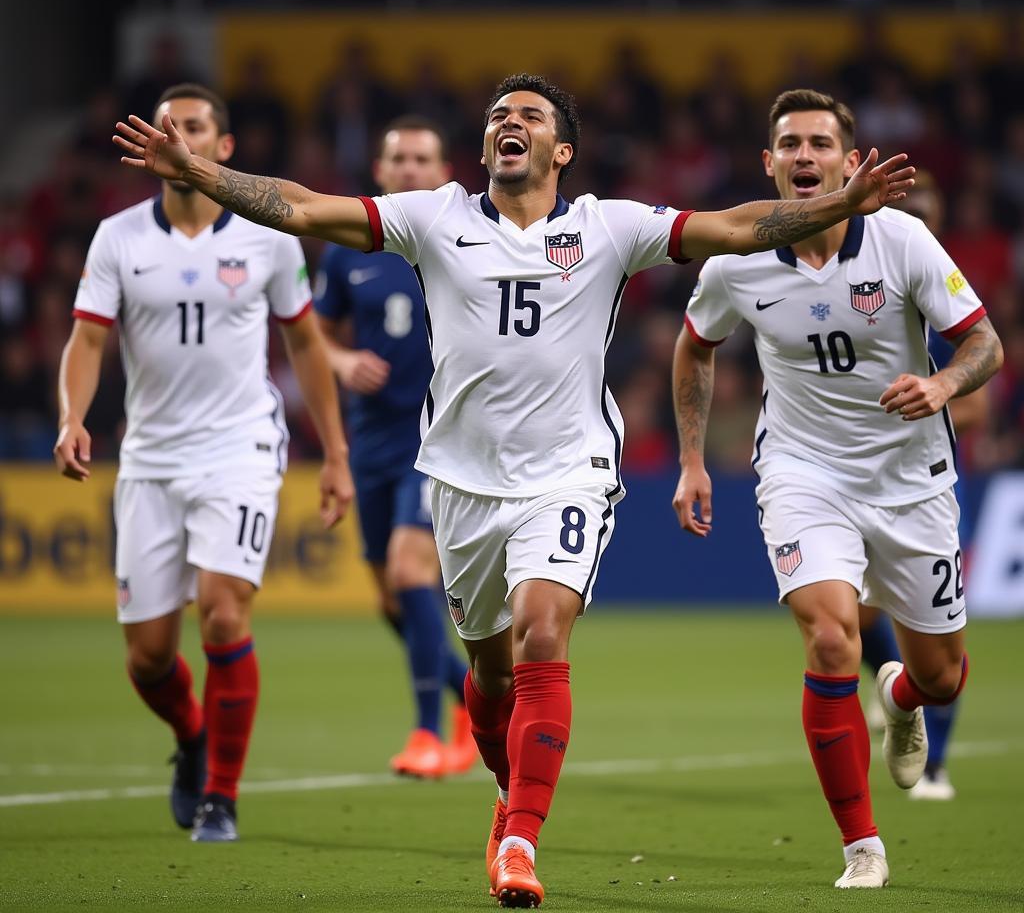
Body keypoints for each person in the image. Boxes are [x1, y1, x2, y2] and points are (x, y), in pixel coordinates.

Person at [114, 72, 913, 907]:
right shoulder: (436, 216)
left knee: (542, 633)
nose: (509, 123)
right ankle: (506, 792)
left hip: (569, 473)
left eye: (529, 116)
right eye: (499, 114)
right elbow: (304, 207)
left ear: (561, 150)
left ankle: (521, 841)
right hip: (460, 482)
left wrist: (836, 206)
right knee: (490, 678)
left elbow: (741, 227)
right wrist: (201, 175)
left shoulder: (609, 228)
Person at [673, 89, 1002, 889]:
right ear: (769, 164)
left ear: (852, 163)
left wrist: (944, 383)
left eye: (822, 143)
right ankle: (863, 846)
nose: (805, 157)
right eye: (790, 144)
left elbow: (984, 343)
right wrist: (691, 461)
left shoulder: (903, 241)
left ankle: (901, 694)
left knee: (943, 677)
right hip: (801, 472)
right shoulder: (737, 259)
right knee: (829, 639)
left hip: (910, 479)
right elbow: (694, 350)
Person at [57, 83, 353, 844]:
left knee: (224, 614)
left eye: (192, 127)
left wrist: (334, 454)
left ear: (222, 150)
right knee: (149, 658)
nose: (175, 136)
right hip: (151, 457)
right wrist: (71, 416)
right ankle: (191, 738)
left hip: (240, 448)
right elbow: (88, 340)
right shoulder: (118, 237)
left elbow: (306, 345)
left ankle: (221, 795)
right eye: (166, 126)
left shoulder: (269, 237)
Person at [314, 115, 476, 778]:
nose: (410, 169)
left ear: (443, 174)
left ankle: (424, 735)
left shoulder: (463, 243)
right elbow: (310, 336)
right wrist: (341, 359)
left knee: (412, 576)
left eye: (422, 159)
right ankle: (476, 698)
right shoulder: (345, 250)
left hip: (438, 441)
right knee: (390, 599)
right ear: (379, 172)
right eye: (398, 159)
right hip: (372, 441)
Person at [858, 169, 990, 801]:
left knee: (942, 640)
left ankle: (935, 764)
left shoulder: (944, 298)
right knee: (853, 615)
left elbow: (977, 407)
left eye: (928, 207)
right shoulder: (870, 282)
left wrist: (931, 396)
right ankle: (894, 688)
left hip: (925, 481)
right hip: (854, 480)